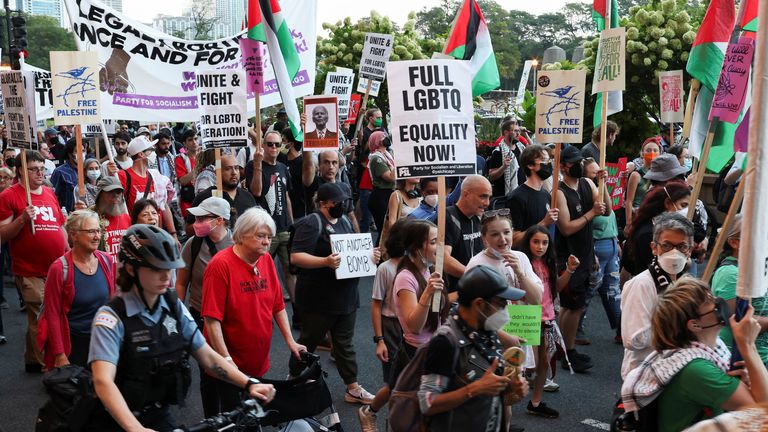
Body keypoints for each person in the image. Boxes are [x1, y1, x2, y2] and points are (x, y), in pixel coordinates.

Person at [87, 225, 276, 431]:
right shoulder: (110, 317)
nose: (166, 276)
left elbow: (207, 356)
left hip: (156, 413)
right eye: (156, 269)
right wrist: (135, 428)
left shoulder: (173, 307)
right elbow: (103, 380)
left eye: (169, 268)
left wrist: (249, 383)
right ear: (131, 269)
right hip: (115, 418)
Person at [620, 277, 768, 432]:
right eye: (711, 302)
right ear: (695, 325)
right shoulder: (696, 370)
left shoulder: (707, 350)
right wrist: (748, 345)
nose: (719, 302)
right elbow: (762, 411)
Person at [201, 207, 305, 416]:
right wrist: (226, 360)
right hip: (227, 367)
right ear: (241, 234)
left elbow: (278, 306)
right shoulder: (220, 265)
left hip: (256, 359)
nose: (267, 242)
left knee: (251, 416)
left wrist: (290, 341)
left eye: (269, 237)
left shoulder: (265, 259)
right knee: (228, 420)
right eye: (261, 236)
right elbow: (212, 320)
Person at [289, 182, 380, 404]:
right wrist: (325, 262)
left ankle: (353, 387)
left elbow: (352, 251)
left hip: (345, 296)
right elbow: (296, 256)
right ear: (323, 204)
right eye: (337, 202)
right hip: (319, 297)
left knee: (344, 342)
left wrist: (370, 256)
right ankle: (293, 379)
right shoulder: (312, 223)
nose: (342, 205)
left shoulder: (345, 221)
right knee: (309, 340)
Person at [418, 265, 529, 431]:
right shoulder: (445, 341)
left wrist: (510, 387)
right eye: (501, 303)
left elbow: (489, 387)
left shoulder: (487, 330)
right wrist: (474, 388)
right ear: (479, 304)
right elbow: (427, 403)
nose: (505, 309)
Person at [0, 150, 68, 373]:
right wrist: (22, 219)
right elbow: (3, 234)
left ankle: (32, 357)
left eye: (42, 168)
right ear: (20, 171)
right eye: (34, 169)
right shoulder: (9, 196)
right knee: (42, 313)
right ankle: (46, 365)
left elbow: (59, 226)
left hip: (56, 267)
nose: (40, 172)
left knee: (43, 315)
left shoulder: (49, 192)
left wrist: (68, 252)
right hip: (29, 269)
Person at [554, 144, 611, 373]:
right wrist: (590, 214)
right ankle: (567, 350)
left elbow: (605, 210)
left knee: (574, 306)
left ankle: (563, 347)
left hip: (586, 254)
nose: (579, 165)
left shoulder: (587, 184)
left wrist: (602, 184)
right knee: (572, 305)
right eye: (574, 162)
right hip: (568, 258)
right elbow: (566, 227)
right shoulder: (558, 192)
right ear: (565, 166)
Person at [620, 212, 695, 379]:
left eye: (681, 247)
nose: (674, 252)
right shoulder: (642, 284)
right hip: (644, 375)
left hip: (674, 370)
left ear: (690, 250)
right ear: (654, 247)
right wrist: (680, 327)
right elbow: (634, 339)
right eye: (667, 245)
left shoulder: (685, 283)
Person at [39, 210, 116, 370]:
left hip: (103, 340)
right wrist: (60, 354)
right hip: (75, 346)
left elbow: (113, 301)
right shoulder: (59, 269)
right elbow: (52, 314)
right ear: (73, 235)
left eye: (98, 231)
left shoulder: (106, 260)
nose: (97, 236)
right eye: (91, 231)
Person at [521, 225, 578, 417]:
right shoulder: (522, 264)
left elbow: (557, 288)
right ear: (527, 243)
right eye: (535, 242)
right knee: (528, 364)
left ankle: (535, 402)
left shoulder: (548, 263)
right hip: (526, 316)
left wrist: (569, 270)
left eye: (544, 242)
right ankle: (505, 404)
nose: (540, 246)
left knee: (544, 363)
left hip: (547, 317)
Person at [358, 218, 409, 431]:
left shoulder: (422, 266)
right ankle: (370, 412)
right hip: (392, 328)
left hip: (413, 327)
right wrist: (379, 340)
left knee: (413, 379)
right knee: (394, 382)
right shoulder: (386, 269)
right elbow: (376, 305)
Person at [710, 215, 767, 363]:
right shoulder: (729, 273)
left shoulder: (758, 269)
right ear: (734, 242)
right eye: (759, 234)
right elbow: (739, 322)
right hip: (744, 360)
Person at [247, 131, 295, 303]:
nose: (273, 147)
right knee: (260, 270)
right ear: (263, 146)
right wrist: (258, 165)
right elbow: (256, 191)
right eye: (269, 144)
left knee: (290, 271)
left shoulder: (282, 167)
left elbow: (286, 196)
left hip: (283, 228)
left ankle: (298, 313)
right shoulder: (254, 165)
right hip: (264, 231)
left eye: (277, 144)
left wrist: (291, 222)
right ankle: (260, 307)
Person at [623, 181, 691, 276]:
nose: (686, 211)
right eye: (683, 205)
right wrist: (684, 263)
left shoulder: (653, 226)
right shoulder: (648, 233)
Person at [118, 135, 178, 243]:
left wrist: (173, 235)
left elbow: (163, 206)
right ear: (141, 154)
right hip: (135, 237)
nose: (154, 152)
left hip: (156, 236)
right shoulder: (123, 176)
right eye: (150, 150)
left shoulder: (155, 176)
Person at [185, 154, 257, 236]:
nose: (234, 173)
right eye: (228, 169)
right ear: (217, 173)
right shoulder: (205, 197)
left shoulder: (247, 196)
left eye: (236, 168)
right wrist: (208, 224)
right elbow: (188, 231)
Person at [443, 175, 492, 291]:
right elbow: (444, 260)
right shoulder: (447, 217)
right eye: (483, 197)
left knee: (531, 309)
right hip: (457, 296)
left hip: (479, 290)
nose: (487, 203)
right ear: (466, 194)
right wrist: (476, 277)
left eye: (489, 197)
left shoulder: (480, 218)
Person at [507, 144, 559, 247]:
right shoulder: (516, 198)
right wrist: (544, 222)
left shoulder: (545, 195)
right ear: (530, 165)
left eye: (549, 160)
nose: (548, 164)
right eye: (544, 160)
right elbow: (513, 239)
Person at [302, 148, 360, 231]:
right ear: (319, 165)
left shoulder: (345, 187)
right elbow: (308, 165)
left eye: (334, 162)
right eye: (326, 162)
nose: (330, 167)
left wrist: (358, 237)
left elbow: (351, 216)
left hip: (341, 236)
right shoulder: (313, 183)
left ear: (338, 165)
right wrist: (308, 141)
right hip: (320, 235)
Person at [625, 137, 661, 234]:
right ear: (642, 153)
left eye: (655, 150)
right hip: (638, 220)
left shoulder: (661, 175)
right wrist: (628, 223)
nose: (652, 153)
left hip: (656, 222)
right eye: (648, 150)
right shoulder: (636, 175)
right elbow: (629, 201)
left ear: (660, 154)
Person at [92, 176, 131, 262]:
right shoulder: (91, 219)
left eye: (118, 192)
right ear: (99, 195)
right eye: (110, 192)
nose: (115, 195)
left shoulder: (126, 218)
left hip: (123, 273)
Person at [367, 131, 395, 238]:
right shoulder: (376, 158)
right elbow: (390, 177)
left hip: (387, 195)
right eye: (383, 137)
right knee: (384, 231)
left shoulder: (387, 155)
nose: (386, 138)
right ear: (377, 141)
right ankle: (380, 253)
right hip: (380, 197)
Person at [488, 119, 526, 198]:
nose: (518, 134)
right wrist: (503, 167)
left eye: (519, 131)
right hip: (506, 196)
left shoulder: (521, 148)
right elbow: (491, 176)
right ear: (506, 132)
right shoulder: (498, 151)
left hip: (522, 194)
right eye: (515, 131)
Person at [50, 138, 83, 213]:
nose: (81, 154)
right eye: (77, 151)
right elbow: (53, 197)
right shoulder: (60, 172)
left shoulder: (87, 169)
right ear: (70, 154)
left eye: (83, 151)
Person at [175, 129, 199, 218]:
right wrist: (199, 166)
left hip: (205, 200)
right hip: (189, 201)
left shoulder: (205, 155)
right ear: (184, 143)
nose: (194, 142)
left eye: (196, 139)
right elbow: (183, 180)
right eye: (190, 140)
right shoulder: (180, 158)